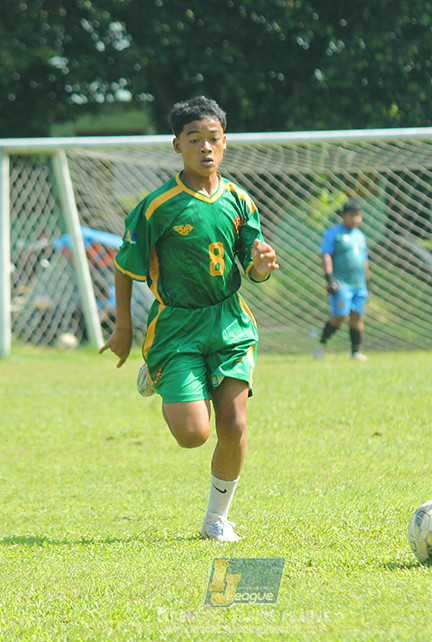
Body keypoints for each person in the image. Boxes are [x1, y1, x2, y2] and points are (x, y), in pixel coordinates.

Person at [99, 96, 279, 543]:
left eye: (213, 139)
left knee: (233, 425)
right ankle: (158, 371)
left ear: (225, 142)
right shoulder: (157, 206)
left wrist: (260, 265)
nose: (205, 148)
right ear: (176, 145)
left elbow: (251, 266)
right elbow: (125, 266)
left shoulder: (239, 200)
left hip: (230, 323)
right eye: (194, 139)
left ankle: (217, 517)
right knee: (193, 435)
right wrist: (123, 328)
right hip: (176, 327)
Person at [313, 199, 371, 361]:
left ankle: (356, 352)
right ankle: (321, 345)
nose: (355, 219)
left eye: (358, 216)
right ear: (344, 216)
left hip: (359, 284)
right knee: (341, 315)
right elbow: (326, 255)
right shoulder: (334, 234)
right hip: (341, 283)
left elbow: (364, 260)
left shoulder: (360, 236)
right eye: (352, 216)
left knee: (357, 316)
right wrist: (329, 278)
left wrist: (367, 283)